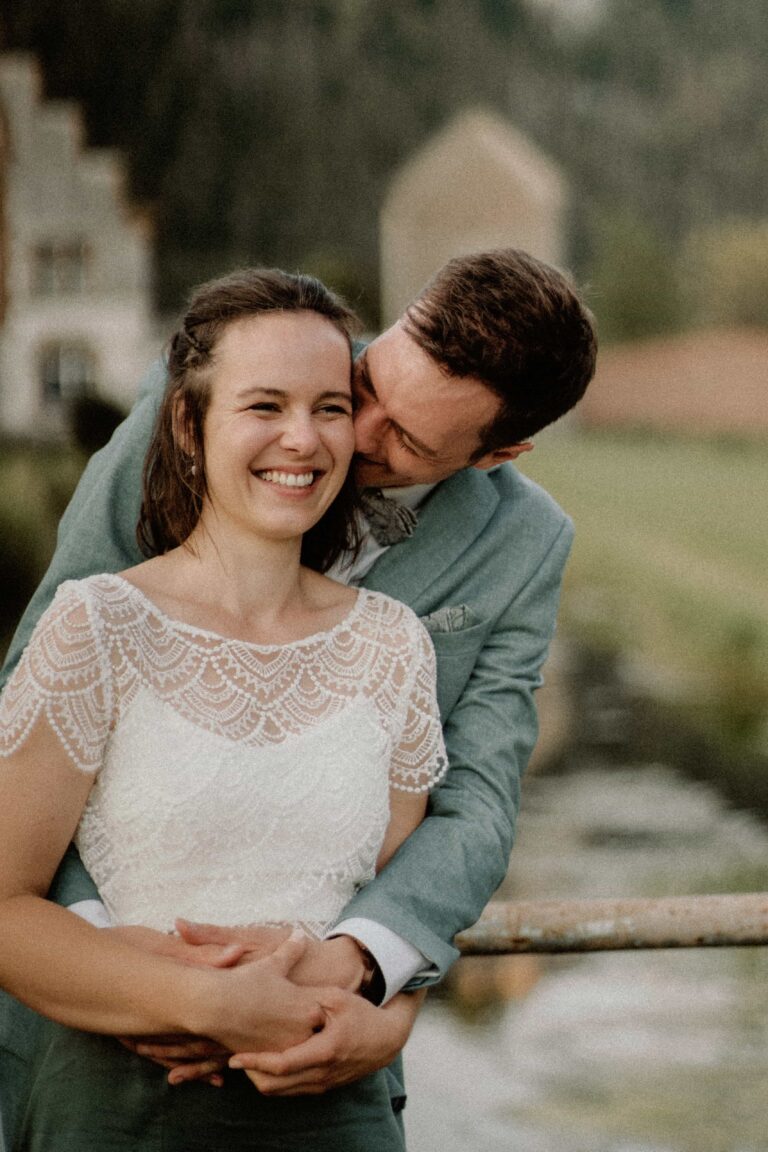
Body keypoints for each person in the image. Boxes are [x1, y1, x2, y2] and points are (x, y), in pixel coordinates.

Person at [0, 248, 597, 1134]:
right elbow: (40, 692)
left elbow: (474, 798)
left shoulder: (524, 544)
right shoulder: (208, 405)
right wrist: (129, 957)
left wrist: (364, 971)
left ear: (497, 453)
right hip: (97, 1031)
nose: (351, 436)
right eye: (367, 387)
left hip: (321, 1057)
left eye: (409, 442)